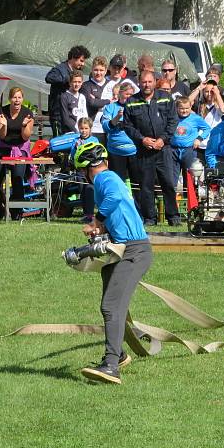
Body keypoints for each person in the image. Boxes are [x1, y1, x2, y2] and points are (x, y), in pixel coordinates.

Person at [77, 143, 152, 385]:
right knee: (109, 305)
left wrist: (96, 220)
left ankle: (111, 366)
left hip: (134, 250)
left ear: (87, 169)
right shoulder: (109, 177)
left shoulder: (104, 179)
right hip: (122, 248)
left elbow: (115, 197)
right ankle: (118, 355)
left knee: (111, 306)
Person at [122, 70, 180, 226]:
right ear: (139, 83)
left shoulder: (166, 98)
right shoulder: (132, 101)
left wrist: (163, 139)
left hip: (164, 149)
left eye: (149, 82)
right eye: (143, 82)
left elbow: (173, 121)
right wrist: (142, 139)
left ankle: (173, 217)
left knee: (168, 183)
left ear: (155, 82)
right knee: (145, 186)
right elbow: (127, 126)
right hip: (144, 150)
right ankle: (149, 218)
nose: (146, 85)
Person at [0, 87, 34, 221]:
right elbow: (1, 135)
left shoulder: (28, 113)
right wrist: (4, 125)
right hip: (4, 147)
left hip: (20, 149)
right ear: (10, 99)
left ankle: (16, 213)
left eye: (19, 97)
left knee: (17, 179)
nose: (17, 100)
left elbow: (26, 137)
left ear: (22, 99)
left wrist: (24, 126)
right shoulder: (2, 111)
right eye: (14, 97)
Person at [101, 81, 139, 192]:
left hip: (134, 151)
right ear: (120, 93)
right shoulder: (110, 108)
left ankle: (137, 207)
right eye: (127, 94)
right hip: (116, 152)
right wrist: (117, 117)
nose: (129, 97)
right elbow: (106, 127)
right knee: (117, 183)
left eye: (131, 95)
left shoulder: (137, 108)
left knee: (136, 184)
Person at [45, 45, 90, 137]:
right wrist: (67, 79)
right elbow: (48, 78)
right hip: (59, 115)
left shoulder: (75, 71)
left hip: (72, 114)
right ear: (73, 57)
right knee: (60, 143)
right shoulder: (60, 69)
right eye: (81, 61)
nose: (83, 64)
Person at [170, 97, 211, 183]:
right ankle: (171, 195)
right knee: (172, 177)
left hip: (189, 150)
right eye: (181, 108)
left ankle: (189, 195)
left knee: (189, 176)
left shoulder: (195, 118)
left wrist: (199, 139)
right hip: (173, 150)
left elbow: (207, 128)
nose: (184, 111)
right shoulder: (172, 117)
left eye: (187, 108)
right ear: (176, 108)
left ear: (191, 107)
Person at [83, 56, 110, 142]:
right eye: (96, 70)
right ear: (92, 70)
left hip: (109, 128)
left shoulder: (111, 85)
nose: (98, 73)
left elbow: (116, 103)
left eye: (101, 70)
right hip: (93, 128)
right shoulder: (86, 86)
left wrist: (97, 100)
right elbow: (91, 103)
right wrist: (108, 101)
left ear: (106, 71)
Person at [59, 70, 87, 134]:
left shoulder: (82, 97)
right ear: (70, 83)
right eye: (74, 82)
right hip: (70, 132)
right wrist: (76, 130)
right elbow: (65, 119)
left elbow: (85, 115)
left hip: (82, 132)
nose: (77, 84)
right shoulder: (64, 96)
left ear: (82, 82)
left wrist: (85, 129)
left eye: (79, 82)